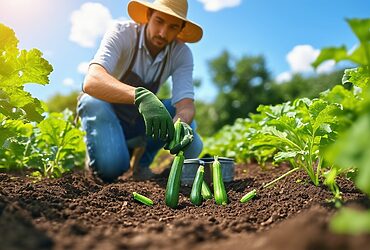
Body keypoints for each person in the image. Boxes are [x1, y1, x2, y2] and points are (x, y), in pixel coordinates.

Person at [77, 0, 204, 182]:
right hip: (110, 117)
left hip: (141, 122)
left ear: (180, 30)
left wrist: (180, 122)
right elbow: (92, 81)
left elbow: (186, 105)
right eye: (159, 21)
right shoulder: (123, 33)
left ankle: (142, 162)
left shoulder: (180, 53)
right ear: (148, 16)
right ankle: (105, 151)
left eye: (173, 27)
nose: (163, 33)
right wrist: (140, 96)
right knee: (111, 168)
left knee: (192, 141)